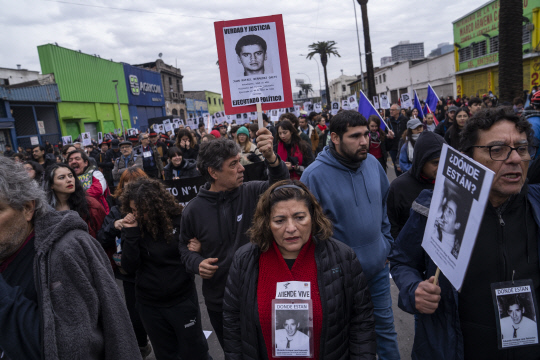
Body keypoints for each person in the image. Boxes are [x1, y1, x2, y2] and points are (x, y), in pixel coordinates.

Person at [389, 107, 540, 358]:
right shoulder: (435, 207)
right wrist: (413, 290)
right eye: (497, 149)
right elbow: (402, 261)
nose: (514, 159)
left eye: (522, 149)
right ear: (467, 158)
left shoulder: (536, 206)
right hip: (459, 348)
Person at [0, 158, 140, 360]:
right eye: (61, 177)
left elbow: (71, 347)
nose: (68, 180)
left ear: (28, 208)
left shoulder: (67, 251)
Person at [223, 180, 376, 359]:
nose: (290, 228)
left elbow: (362, 321)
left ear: (313, 217)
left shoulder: (342, 257)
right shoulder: (245, 260)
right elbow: (232, 323)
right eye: (279, 220)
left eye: (299, 217)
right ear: (266, 223)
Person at [300, 110, 400, 360]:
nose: (365, 141)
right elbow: (306, 232)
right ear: (335, 137)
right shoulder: (313, 176)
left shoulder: (373, 164)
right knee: (347, 340)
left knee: (385, 334)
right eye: (355, 136)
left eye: (366, 134)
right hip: (339, 280)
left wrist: (385, 244)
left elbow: (387, 206)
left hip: (377, 272)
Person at [178, 129, 289, 349]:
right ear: (213, 172)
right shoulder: (193, 210)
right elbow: (183, 248)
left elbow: (282, 188)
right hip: (221, 303)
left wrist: (272, 159)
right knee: (235, 353)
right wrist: (196, 262)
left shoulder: (252, 192)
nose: (241, 169)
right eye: (233, 164)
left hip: (261, 295)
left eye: (239, 161)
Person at [120, 178, 211, 360]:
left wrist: (200, 248)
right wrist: (131, 233)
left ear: (155, 205)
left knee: (195, 351)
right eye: (133, 210)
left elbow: (197, 249)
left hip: (182, 299)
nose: (136, 214)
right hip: (150, 305)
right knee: (165, 354)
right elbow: (129, 267)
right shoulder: (135, 226)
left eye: (141, 210)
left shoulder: (179, 219)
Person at [96, 167, 152, 359]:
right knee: (135, 316)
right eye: (129, 185)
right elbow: (101, 239)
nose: (133, 189)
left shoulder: (155, 207)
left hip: (154, 269)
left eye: (138, 184)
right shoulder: (116, 211)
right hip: (129, 275)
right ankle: (142, 347)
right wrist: (114, 226)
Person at [387, 131, 445, 239]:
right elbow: (391, 225)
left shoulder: (448, 184)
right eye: (435, 162)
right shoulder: (398, 187)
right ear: (421, 161)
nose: (441, 167)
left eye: (444, 161)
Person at [43, 163, 106, 239]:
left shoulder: (91, 206)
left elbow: (103, 237)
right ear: (51, 185)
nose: (69, 180)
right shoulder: (45, 210)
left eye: (70, 176)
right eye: (62, 177)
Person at [67, 149, 110, 214]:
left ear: (86, 163)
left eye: (77, 159)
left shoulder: (95, 174)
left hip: (98, 214)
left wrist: (76, 197)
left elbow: (98, 190)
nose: (73, 162)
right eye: (70, 160)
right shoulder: (68, 178)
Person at [386, 104, 406, 176]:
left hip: (403, 146)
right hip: (393, 147)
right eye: (390, 110)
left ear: (398, 111)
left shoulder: (405, 120)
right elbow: (384, 132)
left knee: (404, 163)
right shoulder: (388, 121)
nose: (391, 111)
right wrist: (388, 135)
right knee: (396, 165)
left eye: (393, 110)